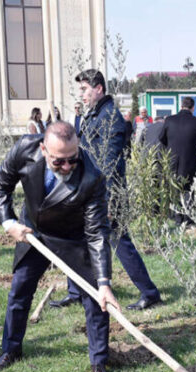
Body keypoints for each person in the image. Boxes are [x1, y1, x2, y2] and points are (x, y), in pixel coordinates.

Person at [0, 121, 119, 372]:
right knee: (20, 290)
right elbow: (1, 183)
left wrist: (104, 282)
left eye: (72, 159)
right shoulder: (25, 148)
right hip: (33, 233)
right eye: (59, 161)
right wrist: (9, 223)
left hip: (73, 239)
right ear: (43, 149)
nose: (67, 167)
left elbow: (96, 233)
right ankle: (11, 350)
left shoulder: (91, 177)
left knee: (96, 301)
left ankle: (99, 363)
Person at [49, 69, 162, 311]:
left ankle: (149, 292)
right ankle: (76, 291)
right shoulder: (93, 115)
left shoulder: (111, 117)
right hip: (87, 190)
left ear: (99, 88)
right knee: (75, 238)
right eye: (80, 90)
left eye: (84, 90)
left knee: (119, 241)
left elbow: (109, 163)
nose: (81, 95)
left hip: (108, 193)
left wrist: (108, 200)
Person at [159, 97, 196, 225]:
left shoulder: (169, 120)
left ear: (181, 106)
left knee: (175, 189)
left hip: (173, 161)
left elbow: (161, 138)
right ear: (193, 108)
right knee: (190, 190)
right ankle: (188, 219)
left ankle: (177, 218)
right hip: (190, 162)